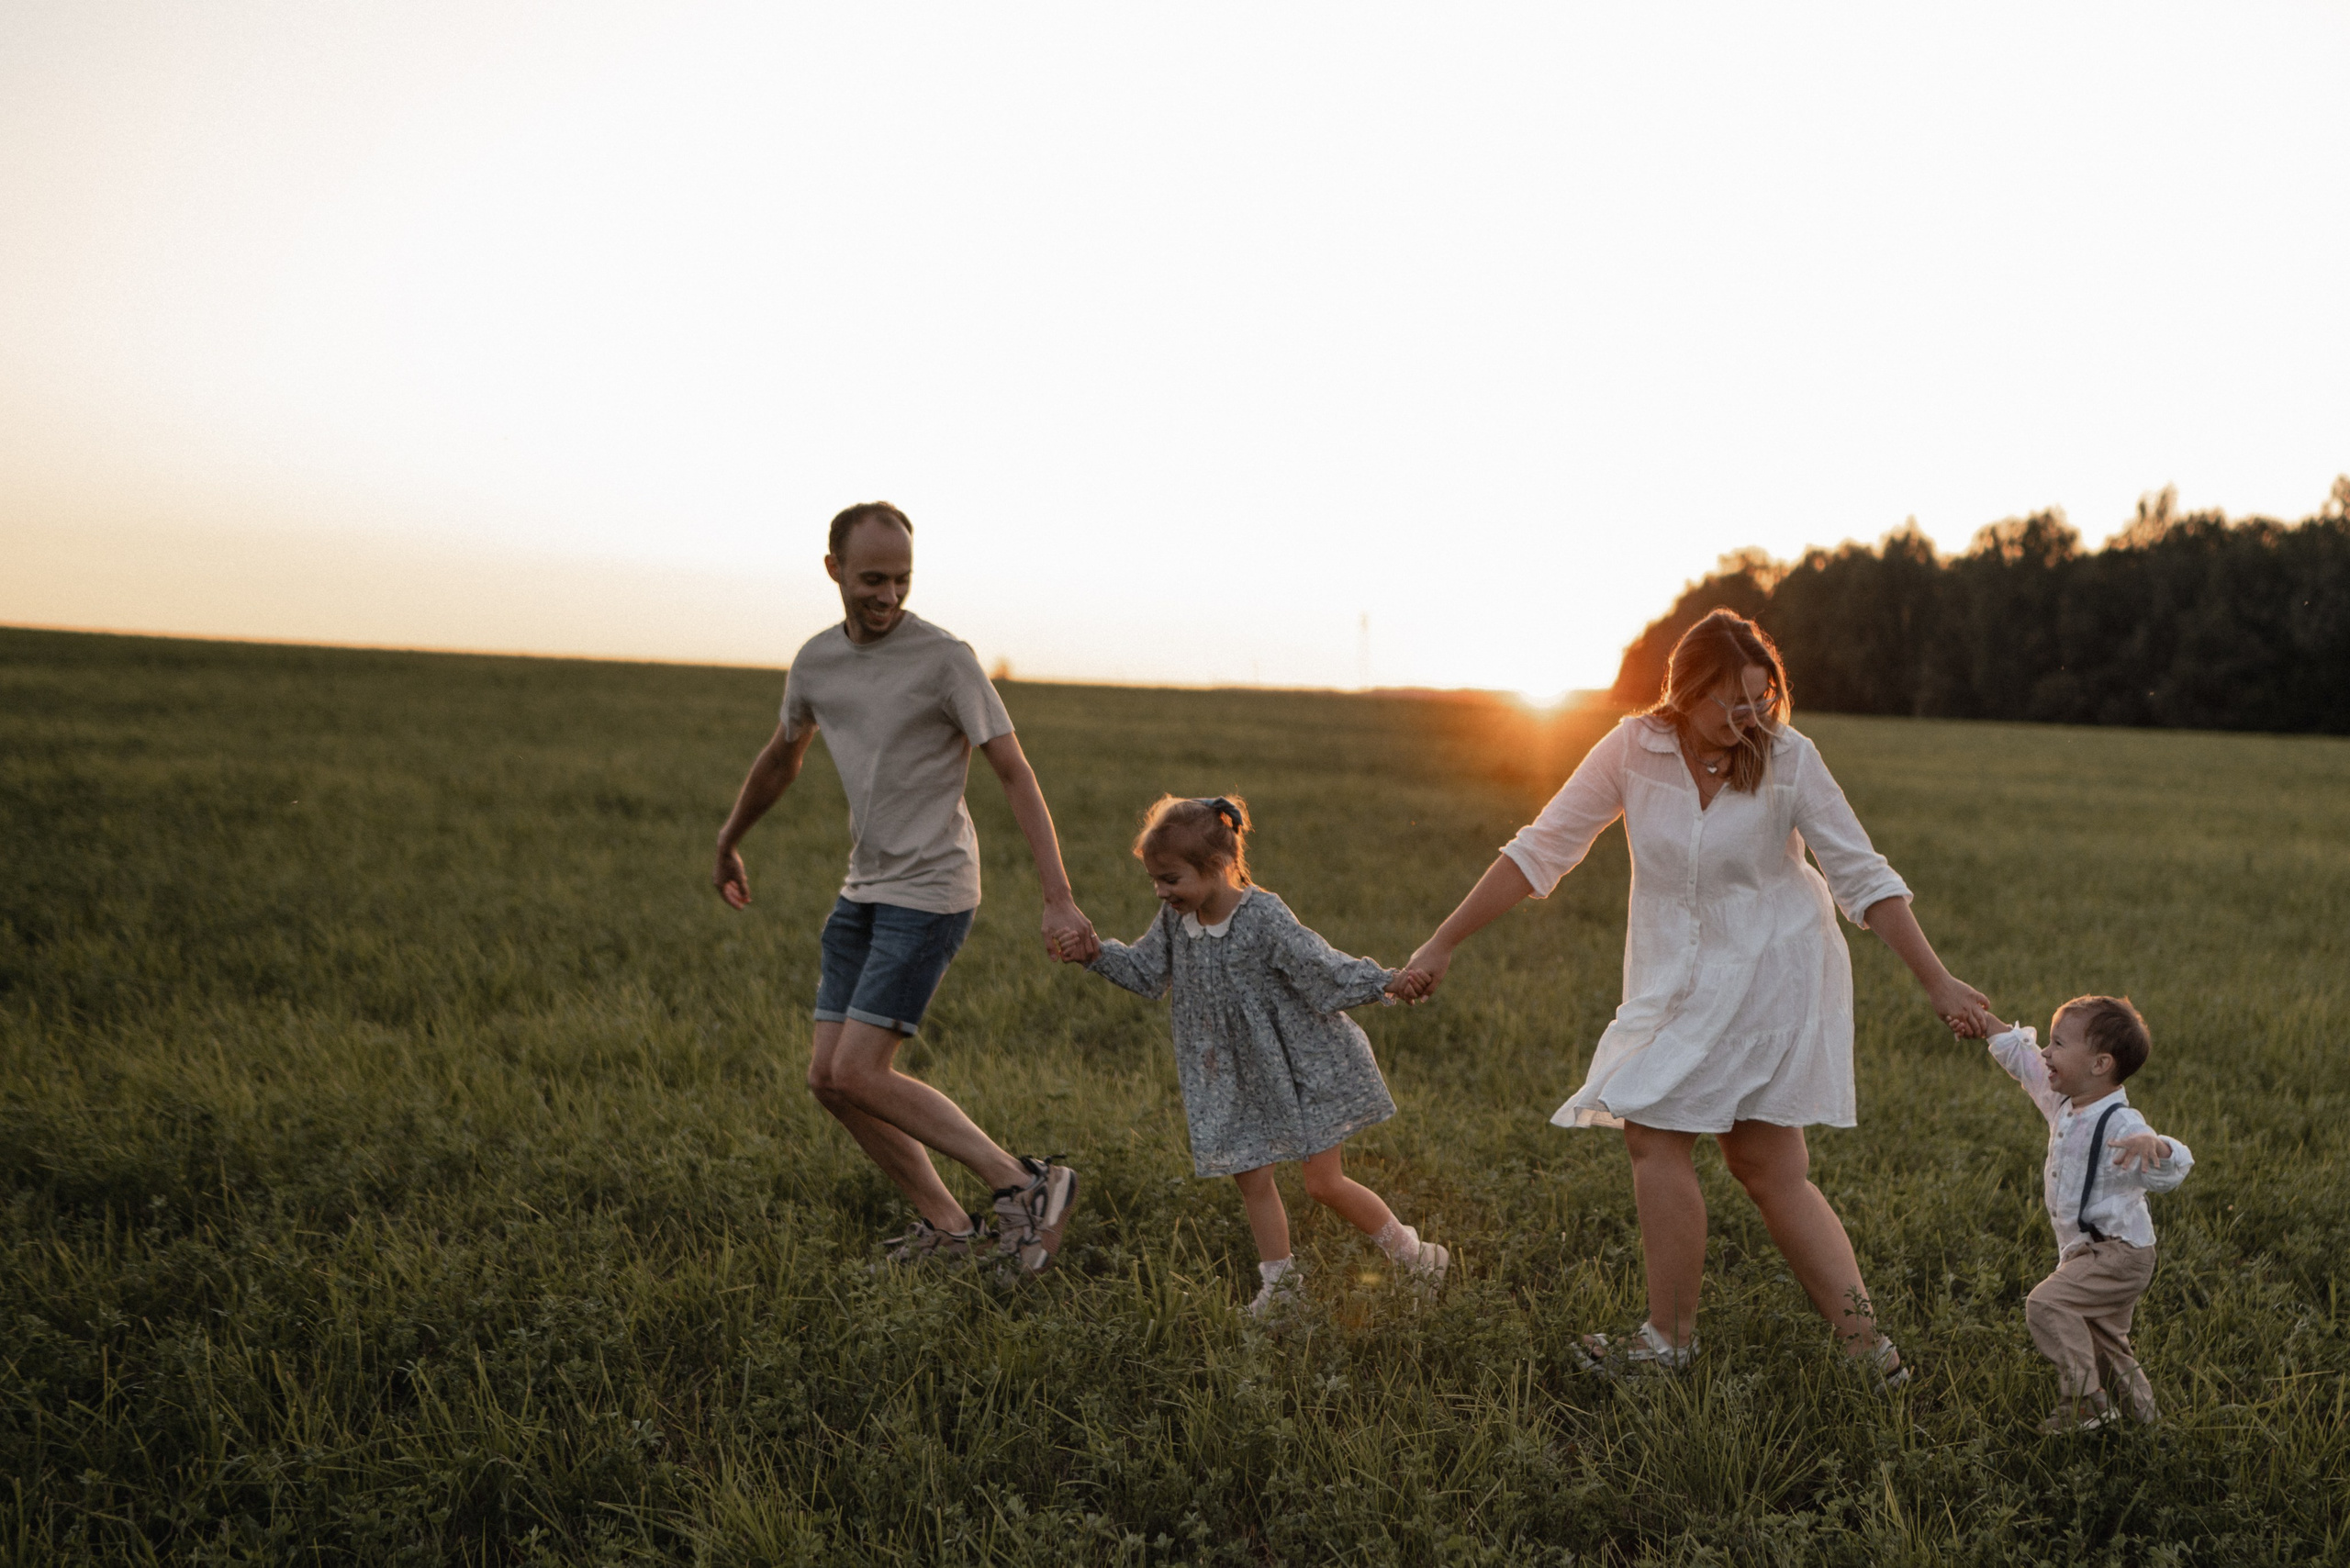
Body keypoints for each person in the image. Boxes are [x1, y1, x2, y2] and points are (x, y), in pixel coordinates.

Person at [1393, 610, 1991, 1380]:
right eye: (1732, 703)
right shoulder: (1633, 748)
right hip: (1676, 978)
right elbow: (1543, 846)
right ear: (1683, 692)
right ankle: (1861, 1355)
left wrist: (1937, 980)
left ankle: (1688, 1345)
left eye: (1761, 701)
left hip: (1775, 970)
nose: (1749, 720)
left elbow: (1861, 875)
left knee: (1729, 1154)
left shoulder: (1787, 758)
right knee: (1727, 1154)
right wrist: (1443, 941)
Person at [712, 501, 1094, 1272]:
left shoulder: (944, 659)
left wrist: (1057, 895)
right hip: (862, 891)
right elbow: (783, 755)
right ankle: (949, 1228)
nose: (887, 596)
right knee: (828, 1081)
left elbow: (1014, 770)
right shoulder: (817, 661)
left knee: (860, 1071)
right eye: (872, 579)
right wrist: (729, 839)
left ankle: (1028, 1183)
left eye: (902, 580)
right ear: (835, 572)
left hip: (933, 890)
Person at [1061, 795, 1445, 1316]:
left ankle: (1414, 1255)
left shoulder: (1263, 915)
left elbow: (1322, 969)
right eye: (1155, 879)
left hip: (1301, 1065)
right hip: (1234, 1075)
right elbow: (1149, 973)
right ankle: (1283, 1289)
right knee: (1252, 1178)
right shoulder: (1176, 922)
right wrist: (1096, 954)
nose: (1160, 891)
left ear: (1217, 866)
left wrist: (1390, 981)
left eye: (1171, 879)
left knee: (1323, 1183)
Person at [1970, 996, 2192, 1431]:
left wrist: (2159, 1148)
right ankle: (2145, 1424)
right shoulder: (2064, 1103)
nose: (2046, 1054)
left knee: (2047, 1304)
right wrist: (1985, 1022)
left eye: (2057, 1044)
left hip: (2120, 1253)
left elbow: (2172, 1170)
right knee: (2104, 1340)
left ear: (2099, 1064)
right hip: (2089, 1252)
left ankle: (2085, 1400)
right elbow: (2025, 1061)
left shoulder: (2122, 1123)